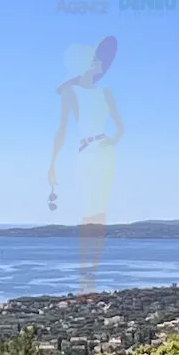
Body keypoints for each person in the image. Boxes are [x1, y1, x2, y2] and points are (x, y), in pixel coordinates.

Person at [48, 36, 123, 295]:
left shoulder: (106, 93)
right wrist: (52, 164)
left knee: (99, 213)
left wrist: (112, 140)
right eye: (94, 59)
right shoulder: (71, 93)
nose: (100, 62)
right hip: (85, 153)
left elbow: (120, 126)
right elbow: (61, 130)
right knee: (87, 213)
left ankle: (92, 271)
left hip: (104, 152)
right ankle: (84, 274)